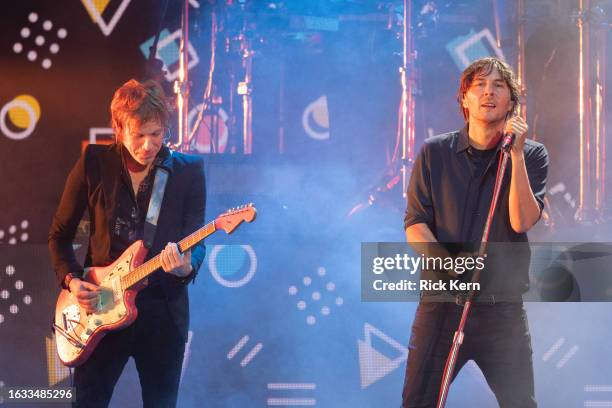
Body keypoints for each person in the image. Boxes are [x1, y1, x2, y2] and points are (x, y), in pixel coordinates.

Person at [49, 79, 206, 408]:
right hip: (100, 308)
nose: (149, 145)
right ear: (119, 128)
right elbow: (60, 235)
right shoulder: (94, 162)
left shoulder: (188, 170)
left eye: (157, 134)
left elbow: (197, 238)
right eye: (139, 135)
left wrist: (186, 265)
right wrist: (72, 281)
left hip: (162, 312)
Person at [401, 57, 548, 407]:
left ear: (512, 102)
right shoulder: (434, 152)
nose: (488, 92)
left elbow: (521, 221)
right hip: (442, 306)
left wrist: (514, 156)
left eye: (499, 85)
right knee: (419, 402)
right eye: (479, 85)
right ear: (464, 99)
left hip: (503, 310)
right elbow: (415, 224)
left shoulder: (532, 155)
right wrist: (452, 268)